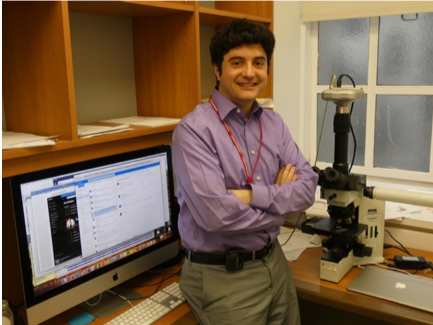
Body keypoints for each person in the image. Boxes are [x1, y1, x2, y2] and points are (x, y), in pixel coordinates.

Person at [172, 18, 318, 325]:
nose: (250, 73)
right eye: (237, 62)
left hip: (274, 262)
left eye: (259, 63)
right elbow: (218, 216)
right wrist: (281, 209)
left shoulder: (274, 124)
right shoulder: (194, 131)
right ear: (217, 69)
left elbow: (307, 187)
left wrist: (250, 195)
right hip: (225, 275)